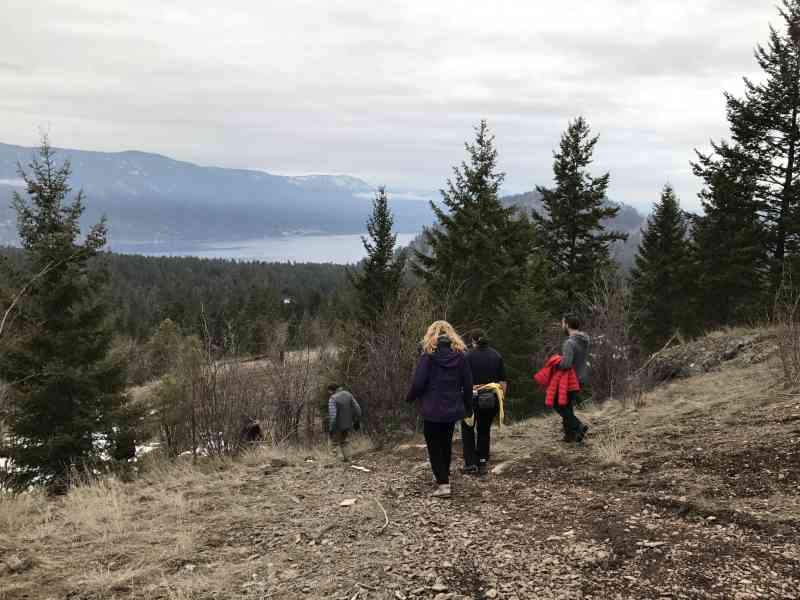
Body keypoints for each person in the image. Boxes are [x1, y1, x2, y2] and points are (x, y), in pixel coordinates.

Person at [406, 321, 473, 498]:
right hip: (452, 408)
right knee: (445, 442)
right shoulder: (461, 357)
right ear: (451, 336)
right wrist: (468, 407)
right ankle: (445, 475)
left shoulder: (427, 356)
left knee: (434, 446)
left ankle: (443, 484)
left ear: (431, 335)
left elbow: (418, 383)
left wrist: (410, 397)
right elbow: (467, 384)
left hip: (431, 408)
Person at [461, 329, 507, 475]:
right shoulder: (496, 355)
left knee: (467, 429)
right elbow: (503, 381)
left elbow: (461, 379)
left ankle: (470, 463)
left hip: (471, 397)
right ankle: (482, 461)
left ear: (473, 340)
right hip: (491, 398)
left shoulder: (467, 356)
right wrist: (501, 400)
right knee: (484, 430)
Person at [556, 313, 590, 443]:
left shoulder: (569, 343)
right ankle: (569, 435)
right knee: (566, 404)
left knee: (558, 404)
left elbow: (566, 364)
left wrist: (556, 362)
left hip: (571, 379)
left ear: (567, 325)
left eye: (562, 323)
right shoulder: (585, 340)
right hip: (582, 377)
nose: (562, 326)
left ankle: (578, 426)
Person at [327, 383, 362, 462]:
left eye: (329, 391)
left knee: (333, 443)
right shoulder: (348, 394)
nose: (328, 393)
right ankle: (348, 459)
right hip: (347, 424)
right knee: (344, 441)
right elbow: (357, 408)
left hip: (337, 426)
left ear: (331, 390)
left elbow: (333, 415)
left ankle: (334, 461)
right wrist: (357, 420)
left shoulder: (332, 399)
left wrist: (331, 428)